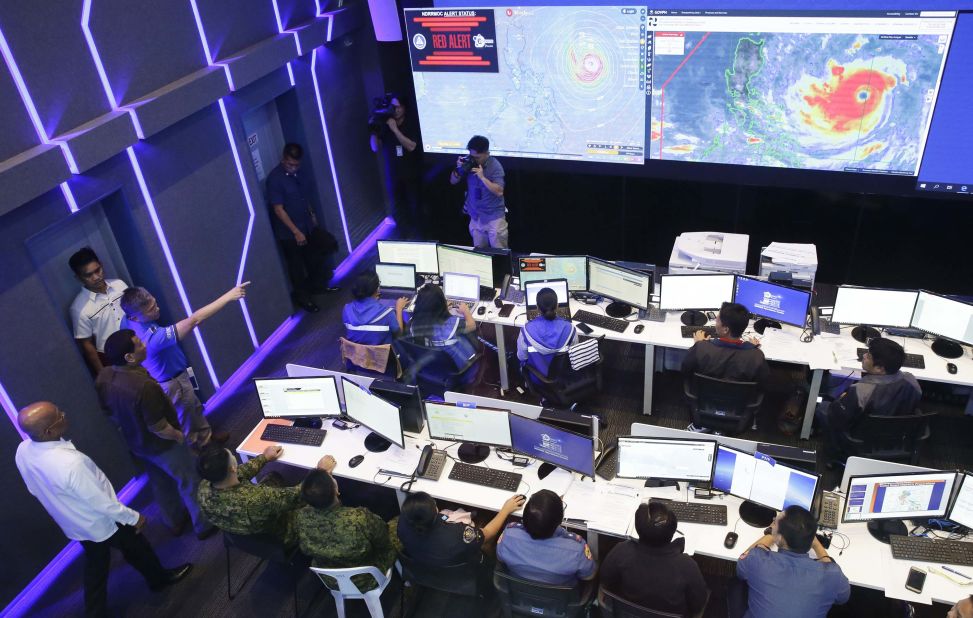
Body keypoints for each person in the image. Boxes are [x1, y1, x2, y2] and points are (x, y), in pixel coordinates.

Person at [15, 402, 192, 617]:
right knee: (137, 547)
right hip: (103, 521)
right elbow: (100, 502)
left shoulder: (23, 450)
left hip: (75, 524)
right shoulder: (70, 463)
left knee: (96, 565)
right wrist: (133, 517)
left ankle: (95, 612)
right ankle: (159, 580)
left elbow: (33, 489)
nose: (64, 414)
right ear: (48, 431)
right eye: (59, 416)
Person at [96, 329, 215, 540]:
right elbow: (159, 427)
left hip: (137, 445)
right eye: (139, 343)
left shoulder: (104, 377)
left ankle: (174, 521)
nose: (144, 344)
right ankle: (203, 525)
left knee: (161, 483)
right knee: (190, 480)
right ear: (129, 357)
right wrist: (180, 437)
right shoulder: (144, 387)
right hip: (163, 447)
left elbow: (109, 413)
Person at [120, 283, 247, 448]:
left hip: (178, 375)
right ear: (136, 317)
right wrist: (229, 296)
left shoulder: (127, 320)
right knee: (186, 422)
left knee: (194, 409)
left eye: (154, 302)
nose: (157, 309)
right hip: (173, 383)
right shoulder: (152, 339)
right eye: (150, 310)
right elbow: (195, 320)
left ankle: (207, 437)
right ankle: (202, 452)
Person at [195, 445, 331, 547]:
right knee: (321, 500)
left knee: (273, 477)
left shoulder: (204, 487)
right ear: (232, 468)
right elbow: (298, 495)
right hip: (281, 533)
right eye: (231, 456)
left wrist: (264, 457)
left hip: (241, 536)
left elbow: (239, 472)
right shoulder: (256, 499)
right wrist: (320, 472)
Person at [731, 505, 850, 618]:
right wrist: (816, 544)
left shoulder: (757, 559)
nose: (773, 522)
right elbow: (843, 598)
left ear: (780, 537)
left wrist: (772, 534)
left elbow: (741, 568)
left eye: (775, 522)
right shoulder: (833, 574)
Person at [296, 463, 397, 593]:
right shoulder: (359, 518)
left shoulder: (301, 517)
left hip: (331, 579)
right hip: (367, 578)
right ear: (336, 490)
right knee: (398, 522)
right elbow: (383, 538)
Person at [600, 502, 709, 617]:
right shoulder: (687, 566)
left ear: (638, 528)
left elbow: (605, 581)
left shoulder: (622, 551)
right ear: (672, 532)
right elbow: (697, 606)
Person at [266, 142, 339, 313]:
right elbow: (278, 209)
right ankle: (303, 299)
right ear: (283, 159)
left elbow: (303, 197)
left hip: (306, 226)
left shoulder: (299, 174)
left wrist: (312, 214)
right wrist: (296, 232)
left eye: (296, 164)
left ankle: (317, 286)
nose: (293, 168)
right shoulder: (275, 179)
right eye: (290, 164)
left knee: (320, 252)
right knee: (296, 268)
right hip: (289, 234)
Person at [815, 337, 921, 445]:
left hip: (860, 438)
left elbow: (837, 416)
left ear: (879, 368)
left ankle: (834, 445)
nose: (864, 356)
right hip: (896, 435)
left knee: (822, 407)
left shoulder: (860, 391)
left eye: (869, 356)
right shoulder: (912, 381)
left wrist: (841, 400)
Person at [682, 301, 769, 432]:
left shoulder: (702, 348)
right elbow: (764, 384)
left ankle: (703, 426)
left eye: (717, 320)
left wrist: (699, 344)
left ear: (725, 329)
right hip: (737, 408)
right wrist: (753, 348)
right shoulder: (756, 356)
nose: (714, 322)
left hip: (704, 404)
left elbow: (685, 370)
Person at [396, 491, 525, 572]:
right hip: (460, 572)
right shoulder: (459, 535)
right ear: (435, 510)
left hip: (425, 568)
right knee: (485, 526)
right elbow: (488, 533)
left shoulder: (402, 524)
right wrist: (505, 510)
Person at [496, 489, 596, 587]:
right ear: (560, 520)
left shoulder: (508, 535)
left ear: (524, 517)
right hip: (560, 600)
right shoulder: (577, 549)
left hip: (518, 594)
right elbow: (588, 576)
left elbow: (500, 559)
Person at [68, 247, 129, 377]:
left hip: (138, 342)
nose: (96, 277)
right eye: (89, 275)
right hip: (112, 356)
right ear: (78, 278)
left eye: (98, 270)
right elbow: (87, 345)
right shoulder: (78, 308)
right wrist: (102, 374)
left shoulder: (119, 285)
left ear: (101, 265)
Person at [369, 95, 423, 235]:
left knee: (416, 208)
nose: (396, 110)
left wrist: (395, 130)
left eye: (398, 106)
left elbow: (411, 146)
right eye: (393, 107)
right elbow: (375, 147)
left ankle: (420, 236)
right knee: (399, 210)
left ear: (404, 108)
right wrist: (374, 130)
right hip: (394, 176)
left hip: (411, 174)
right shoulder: (385, 125)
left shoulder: (410, 123)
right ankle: (404, 236)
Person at [408, 284, 480, 379]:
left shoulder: (414, 323)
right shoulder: (452, 323)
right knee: (471, 332)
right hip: (461, 368)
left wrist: (443, 309)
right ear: (440, 303)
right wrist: (466, 311)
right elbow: (472, 325)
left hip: (434, 367)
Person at [449, 135, 507, 249]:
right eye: (472, 156)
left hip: (494, 217)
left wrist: (482, 177)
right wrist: (458, 169)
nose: (473, 160)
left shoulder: (495, 166)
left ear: (487, 153)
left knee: (500, 254)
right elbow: (453, 181)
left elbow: (499, 191)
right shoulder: (468, 161)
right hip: (476, 217)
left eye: (477, 157)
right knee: (480, 254)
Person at [517, 287, 578, 378]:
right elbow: (574, 355)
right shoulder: (570, 329)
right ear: (557, 306)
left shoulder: (526, 330)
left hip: (536, 377)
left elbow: (522, 357)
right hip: (562, 377)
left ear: (537, 307)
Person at [342, 270, 408, 345]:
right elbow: (399, 335)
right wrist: (399, 309)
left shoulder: (346, 309)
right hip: (382, 355)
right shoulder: (387, 313)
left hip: (357, 355)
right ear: (376, 289)